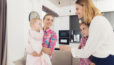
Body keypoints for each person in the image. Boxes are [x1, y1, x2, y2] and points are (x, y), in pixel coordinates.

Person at [60, 0, 114, 65]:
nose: (76, 12)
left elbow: (86, 52)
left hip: (106, 60)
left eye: (77, 9)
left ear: (85, 7)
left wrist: (68, 48)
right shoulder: (96, 21)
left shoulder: (97, 21)